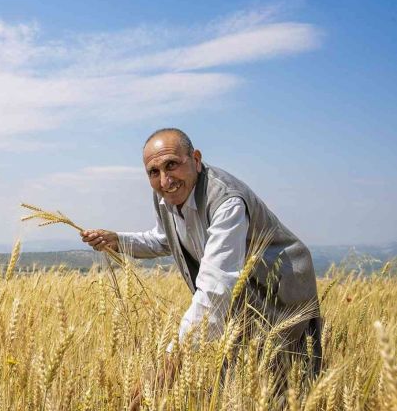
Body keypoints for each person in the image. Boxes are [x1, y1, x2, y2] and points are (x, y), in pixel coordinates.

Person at [81, 128, 322, 405]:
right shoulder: (165, 196)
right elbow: (165, 239)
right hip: (240, 297)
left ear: (195, 159)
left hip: (281, 290)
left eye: (172, 164)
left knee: (282, 387)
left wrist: (170, 365)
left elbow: (215, 288)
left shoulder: (226, 201)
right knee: (237, 385)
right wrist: (119, 241)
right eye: (153, 172)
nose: (165, 179)